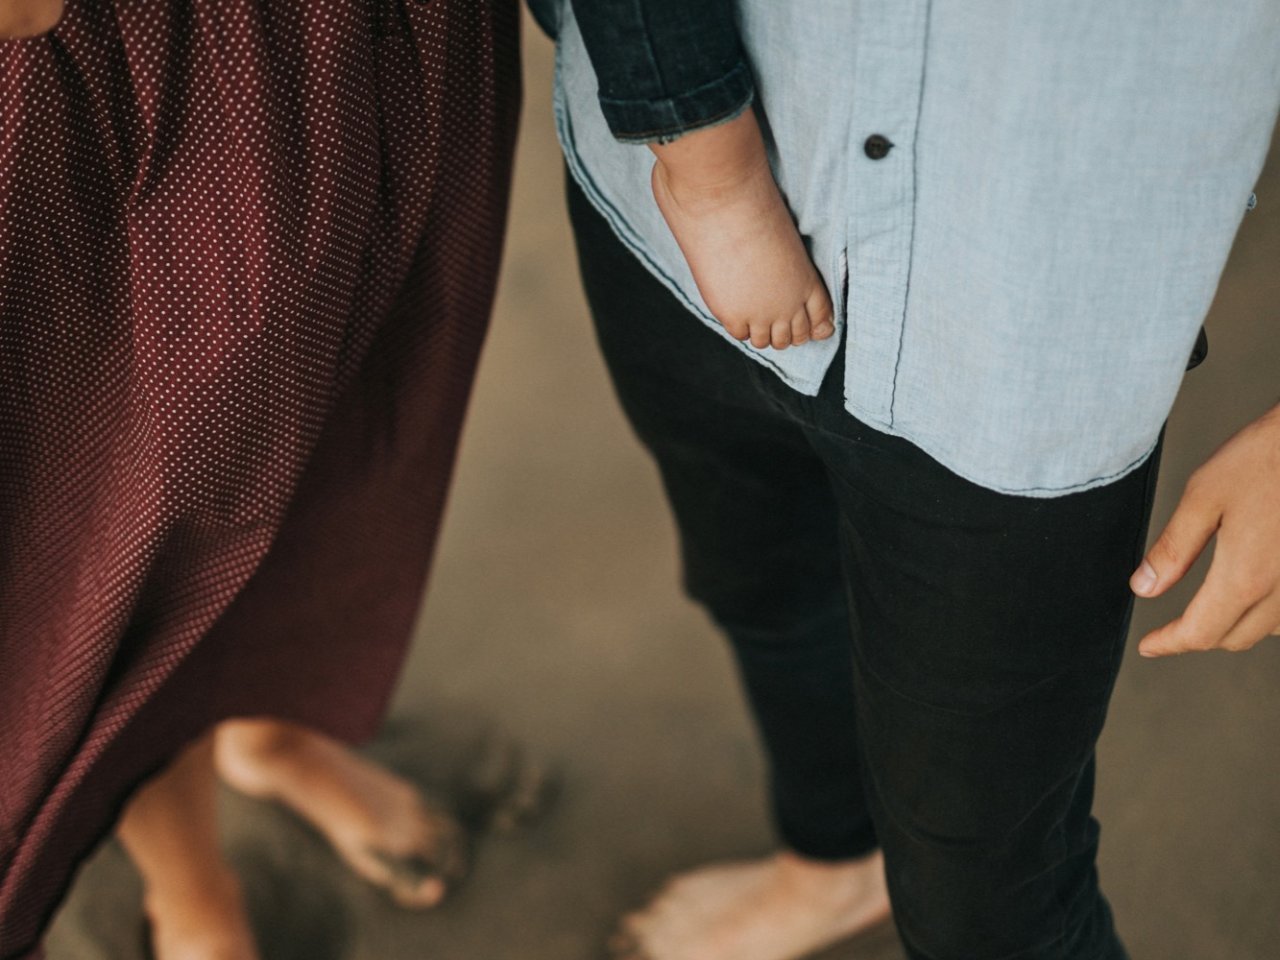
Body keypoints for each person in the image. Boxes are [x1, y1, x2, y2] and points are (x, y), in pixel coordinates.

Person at [531, 1, 1280, 958]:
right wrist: (704, 163)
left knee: (989, 891)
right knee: (766, 593)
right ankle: (836, 861)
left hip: (1029, 346)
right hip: (664, 226)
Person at [0, 1, 519, 958]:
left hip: (395, 29)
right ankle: (187, 883)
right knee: (140, 522)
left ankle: (272, 736)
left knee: (365, 414)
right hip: (136, 53)